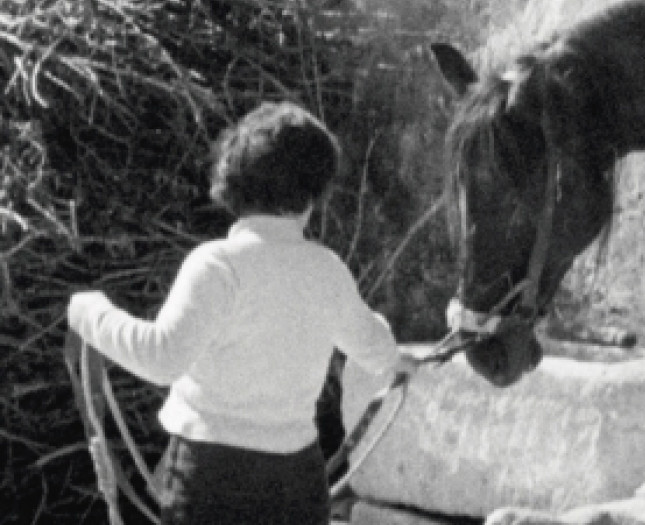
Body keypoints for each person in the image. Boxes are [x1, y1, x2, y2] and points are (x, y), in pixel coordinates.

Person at [67, 101, 418, 524]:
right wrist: (400, 359)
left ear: (234, 181)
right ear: (314, 193)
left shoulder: (216, 264)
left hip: (212, 478)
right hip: (297, 483)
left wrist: (90, 313)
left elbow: (162, 357)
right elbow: (375, 349)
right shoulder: (327, 270)